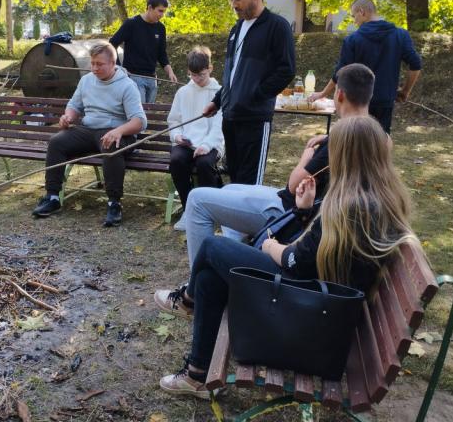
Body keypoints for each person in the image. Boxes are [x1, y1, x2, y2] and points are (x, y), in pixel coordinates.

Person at [156, 115, 418, 399]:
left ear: (346, 155)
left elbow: (296, 260)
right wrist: (303, 212)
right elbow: (320, 251)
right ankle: (197, 377)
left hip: (310, 310)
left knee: (211, 246)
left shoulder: (349, 206)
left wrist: (271, 248)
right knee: (209, 278)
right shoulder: (377, 196)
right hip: (323, 302)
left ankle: (187, 301)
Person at [162, 63, 375, 272]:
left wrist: (306, 156)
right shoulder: (372, 136)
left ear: (339, 95)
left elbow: (294, 185)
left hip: (289, 212)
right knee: (229, 190)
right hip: (303, 209)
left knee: (197, 199)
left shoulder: (342, 141)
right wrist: (327, 137)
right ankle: (227, 264)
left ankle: (197, 284)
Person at [31, 43, 147, 227]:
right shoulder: (86, 81)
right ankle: (52, 197)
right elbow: (74, 106)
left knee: (110, 146)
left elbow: (140, 122)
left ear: (113, 63)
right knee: (56, 142)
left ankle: (114, 203)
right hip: (88, 129)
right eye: (92, 63)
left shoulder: (127, 86)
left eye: (99, 64)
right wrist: (68, 117)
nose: (94, 68)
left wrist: (118, 131)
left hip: (116, 132)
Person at [202, 0, 295, 185]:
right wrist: (217, 101)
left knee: (249, 181)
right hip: (230, 115)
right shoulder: (236, 30)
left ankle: (246, 218)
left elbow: (286, 70)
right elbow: (232, 74)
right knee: (234, 174)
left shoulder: (277, 26)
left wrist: (256, 94)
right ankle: (232, 219)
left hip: (254, 118)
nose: (234, 4)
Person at [309, 0, 422, 133]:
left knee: (356, 144)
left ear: (362, 12)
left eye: (353, 16)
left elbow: (341, 72)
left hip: (357, 102)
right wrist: (405, 91)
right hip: (385, 101)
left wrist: (323, 93)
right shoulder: (400, 35)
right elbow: (415, 64)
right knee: (380, 144)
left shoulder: (353, 40)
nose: (355, 21)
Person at [168, 46, 224, 231]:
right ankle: (188, 209)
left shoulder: (219, 93)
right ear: (187, 72)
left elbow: (219, 127)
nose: (198, 79)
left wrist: (207, 145)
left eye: (201, 74)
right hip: (188, 142)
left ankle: (208, 210)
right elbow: (174, 120)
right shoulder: (183, 92)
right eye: (193, 75)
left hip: (211, 143)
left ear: (210, 68)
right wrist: (177, 136)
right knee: (176, 160)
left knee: (203, 164)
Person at [109, 0, 179, 103]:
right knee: (139, 113)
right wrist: (119, 67)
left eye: (164, 12)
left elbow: (162, 54)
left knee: (148, 114)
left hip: (152, 78)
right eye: (160, 11)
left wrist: (170, 72)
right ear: (150, 8)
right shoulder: (131, 23)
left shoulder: (161, 28)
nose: (162, 15)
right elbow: (112, 44)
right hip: (134, 77)